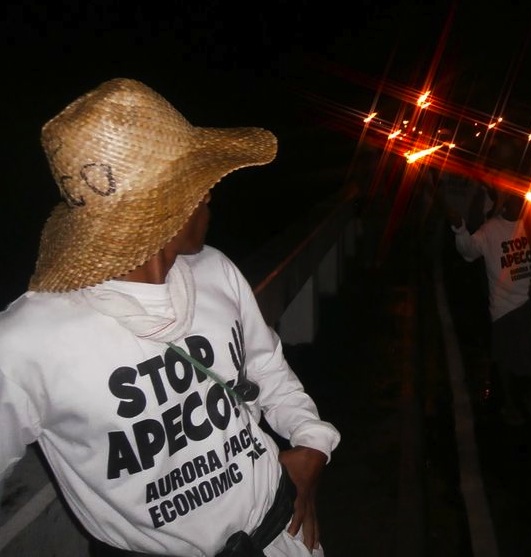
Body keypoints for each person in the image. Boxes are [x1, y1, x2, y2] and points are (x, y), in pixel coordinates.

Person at [0, 78, 340, 556]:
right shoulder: (25, 342)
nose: (210, 193)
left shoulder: (216, 271)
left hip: (283, 532)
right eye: (198, 182)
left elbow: (265, 369)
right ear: (171, 207)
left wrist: (312, 445)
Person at [447, 178, 531, 426]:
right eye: (513, 198)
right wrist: (459, 228)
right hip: (505, 307)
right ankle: (509, 403)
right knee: (507, 360)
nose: (519, 203)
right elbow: (468, 252)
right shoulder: (490, 230)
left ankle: (529, 398)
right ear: (504, 201)